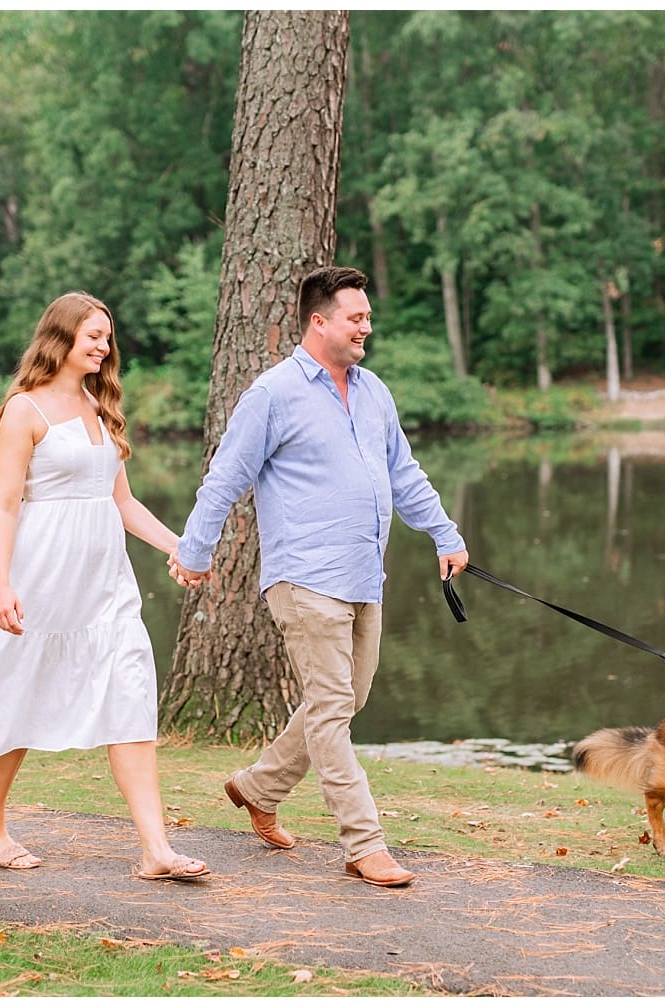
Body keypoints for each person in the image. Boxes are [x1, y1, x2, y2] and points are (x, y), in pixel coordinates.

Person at [172, 266, 469, 888]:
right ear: (319, 321)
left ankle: (258, 786)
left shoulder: (373, 391)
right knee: (333, 708)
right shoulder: (273, 394)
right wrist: (196, 550)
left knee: (348, 698)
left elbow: (404, 475)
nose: (367, 326)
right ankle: (365, 843)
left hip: (365, 575)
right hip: (304, 577)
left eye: (366, 317)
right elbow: (226, 478)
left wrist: (445, 533)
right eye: (356, 317)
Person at [0, 291, 209, 882]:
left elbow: (122, 501)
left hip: (106, 585)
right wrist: (1, 584)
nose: (105, 346)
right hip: (40, 578)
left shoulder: (99, 407)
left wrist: (179, 546)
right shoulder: (23, 411)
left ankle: (156, 849)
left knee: (130, 692)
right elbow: (4, 505)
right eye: (94, 336)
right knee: (15, 697)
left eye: (108, 336)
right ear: (61, 338)